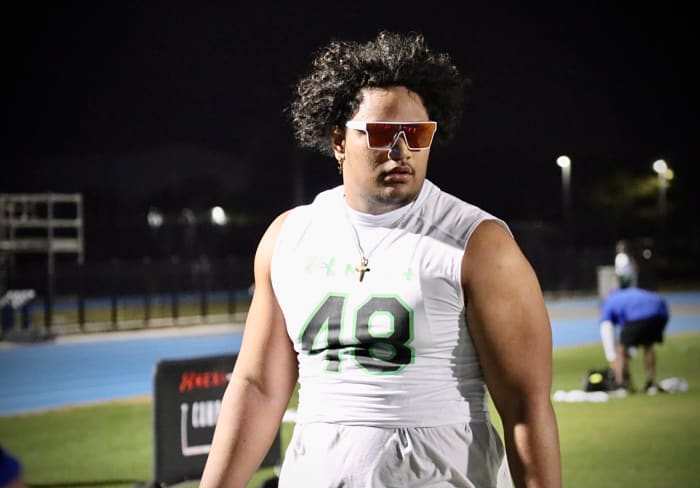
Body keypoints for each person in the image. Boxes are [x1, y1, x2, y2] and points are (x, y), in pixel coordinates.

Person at [201, 31, 561, 488]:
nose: (401, 151)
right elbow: (258, 387)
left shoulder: (477, 243)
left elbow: (525, 406)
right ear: (339, 140)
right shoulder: (289, 237)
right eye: (382, 134)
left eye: (417, 134)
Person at [599, 270, 670, 394]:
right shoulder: (633, 293)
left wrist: (611, 356)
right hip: (659, 313)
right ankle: (651, 384)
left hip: (638, 316)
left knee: (621, 350)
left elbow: (606, 328)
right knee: (648, 346)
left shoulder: (610, 300)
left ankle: (621, 386)